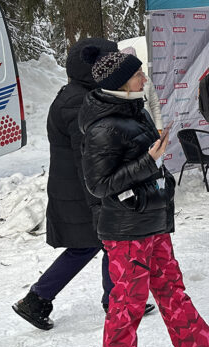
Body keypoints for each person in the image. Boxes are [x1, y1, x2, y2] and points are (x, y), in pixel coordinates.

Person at [80, 50, 209, 347]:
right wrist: (149, 160)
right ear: (120, 84)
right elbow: (99, 185)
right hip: (127, 229)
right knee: (128, 305)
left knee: (170, 285)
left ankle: (195, 344)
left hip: (152, 217)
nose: (144, 79)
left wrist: (153, 165)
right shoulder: (102, 128)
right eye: (138, 75)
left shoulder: (135, 110)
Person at [13, 38, 153, 331]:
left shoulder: (80, 94)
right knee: (93, 244)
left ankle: (110, 298)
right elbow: (86, 156)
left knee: (101, 243)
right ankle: (37, 299)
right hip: (81, 190)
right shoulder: (79, 102)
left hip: (78, 187)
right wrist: (99, 199)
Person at [120, 46, 163, 133]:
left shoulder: (146, 80)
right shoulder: (121, 84)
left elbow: (154, 105)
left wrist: (159, 128)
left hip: (149, 128)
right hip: (133, 131)